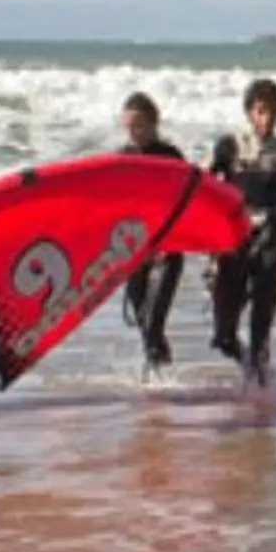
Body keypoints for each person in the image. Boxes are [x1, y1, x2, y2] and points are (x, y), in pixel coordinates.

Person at [207, 76, 276, 381]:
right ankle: (251, 370)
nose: (265, 119)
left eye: (271, 112)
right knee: (223, 336)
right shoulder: (229, 147)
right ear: (248, 112)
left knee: (261, 327)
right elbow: (203, 191)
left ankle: (259, 394)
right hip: (233, 242)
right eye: (259, 111)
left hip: (271, 241)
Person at [113, 92, 190, 374]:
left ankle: (155, 380)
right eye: (129, 127)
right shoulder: (122, 159)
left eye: (140, 126)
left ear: (154, 123)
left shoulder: (171, 157)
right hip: (134, 253)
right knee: (144, 324)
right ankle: (161, 382)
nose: (134, 133)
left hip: (167, 252)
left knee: (154, 322)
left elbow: (188, 202)